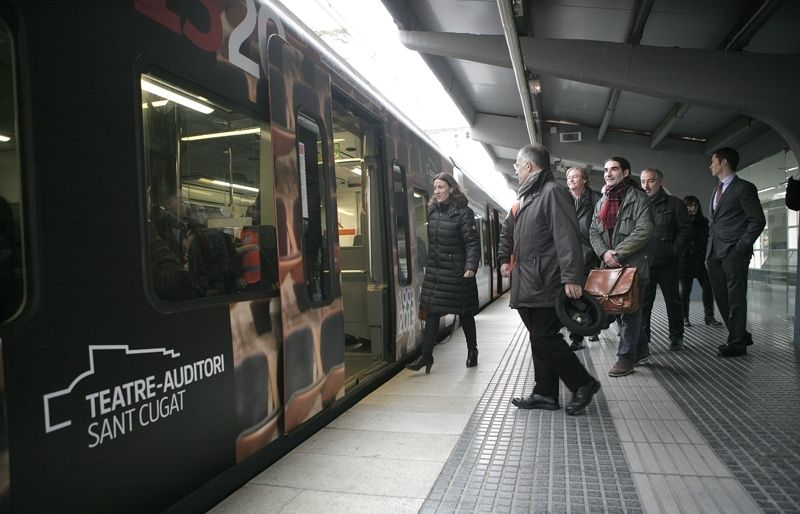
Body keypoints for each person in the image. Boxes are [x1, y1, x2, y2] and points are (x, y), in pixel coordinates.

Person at [499, 144, 600, 415]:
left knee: (544, 337)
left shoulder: (552, 193)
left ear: (530, 166)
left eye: (518, 164)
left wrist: (571, 277)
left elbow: (567, 237)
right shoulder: (530, 197)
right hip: (530, 280)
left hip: (547, 280)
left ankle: (583, 383)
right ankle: (545, 392)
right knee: (538, 337)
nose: (516, 169)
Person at [407, 172, 480, 373]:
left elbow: (472, 243)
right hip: (436, 271)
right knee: (432, 312)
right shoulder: (432, 211)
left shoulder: (464, 213)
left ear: (451, 188)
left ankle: (472, 350)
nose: (436, 191)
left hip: (458, 271)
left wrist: (470, 267)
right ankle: (426, 356)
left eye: (440, 187)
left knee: (464, 313)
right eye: (435, 188)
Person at [590, 157, 654, 377]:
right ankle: (642, 348)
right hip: (610, 266)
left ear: (626, 173)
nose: (608, 173)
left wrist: (617, 253)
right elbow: (593, 231)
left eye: (614, 169)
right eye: (606, 169)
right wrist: (604, 253)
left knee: (630, 312)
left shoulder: (639, 199)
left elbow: (644, 230)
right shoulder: (602, 201)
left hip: (633, 266)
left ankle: (625, 358)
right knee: (619, 310)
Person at [706, 147, 766, 357]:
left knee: (736, 297)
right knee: (721, 296)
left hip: (733, 252)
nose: (710, 165)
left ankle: (737, 344)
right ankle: (739, 333)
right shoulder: (717, 188)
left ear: (723, 163)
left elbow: (758, 220)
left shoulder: (744, 188)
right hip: (714, 252)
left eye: (713, 161)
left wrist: (741, 246)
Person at [638, 168, 691, 357]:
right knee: (644, 304)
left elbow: (685, 230)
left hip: (668, 263)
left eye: (650, 181)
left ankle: (676, 337)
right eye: (643, 181)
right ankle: (643, 340)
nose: (646, 185)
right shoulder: (638, 204)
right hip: (645, 263)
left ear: (659, 182)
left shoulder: (675, 204)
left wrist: (673, 250)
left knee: (673, 302)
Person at [565, 166, 603, 350]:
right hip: (570, 257)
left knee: (592, 297)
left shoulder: (596, 199)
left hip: (591, 255)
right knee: (575, 298)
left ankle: (592, 326)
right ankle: (578, 336)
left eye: (575, 177)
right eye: (568, 177)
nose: (571, 180)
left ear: (585, 180)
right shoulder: (563, 199)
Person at [678, 195, 722, 327]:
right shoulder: (680, 221)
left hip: (699, 261)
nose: (693, 208)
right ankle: (684, 317)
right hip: (685, 261)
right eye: (690, 205)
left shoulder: (703, 222)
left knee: (708, 288)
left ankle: (709, 317)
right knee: (685, 291)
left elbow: (706, 240)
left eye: (695, 205)